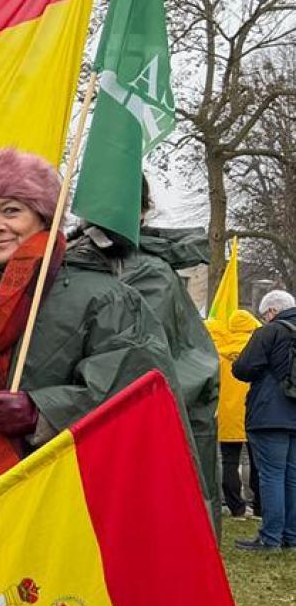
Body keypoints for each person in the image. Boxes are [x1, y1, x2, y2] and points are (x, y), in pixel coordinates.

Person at [0, 148, 173, 510]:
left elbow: (134, 390)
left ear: (43, 216)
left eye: (11, 210)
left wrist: (41, 412)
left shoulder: (104, 297)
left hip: (64, 494)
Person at [73, 178, 220, 521]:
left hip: (140, 426)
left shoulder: (150, 273)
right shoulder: (67, 261)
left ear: (142, 211)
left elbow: (134, 362)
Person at [231, 290, 296, 551]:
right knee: (292, 476)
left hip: (269, 413)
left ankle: (270, 538)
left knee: (272, 475)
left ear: (271, 312)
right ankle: (291, 536)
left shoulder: (270, 331)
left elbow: (243, 368)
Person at [210, 307, 261, 517]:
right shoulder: (257, 349)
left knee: (228, 460)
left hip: (226, 413)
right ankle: (256, 504)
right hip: (253, 411)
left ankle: (235, 506)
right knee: (252, 461)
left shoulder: (218, 350)